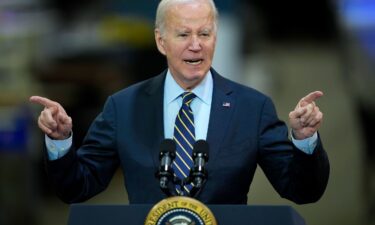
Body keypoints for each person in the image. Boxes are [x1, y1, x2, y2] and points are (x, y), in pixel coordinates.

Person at [30, 0, 329, 204]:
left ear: (216, 37)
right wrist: (61, 141)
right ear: (161, 41)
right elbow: (77, 186)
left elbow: (302, 190)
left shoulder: (252, 108)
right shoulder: (122, 107)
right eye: (183, 34)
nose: (195, 45)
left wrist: (304, 141)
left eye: (205, 33)